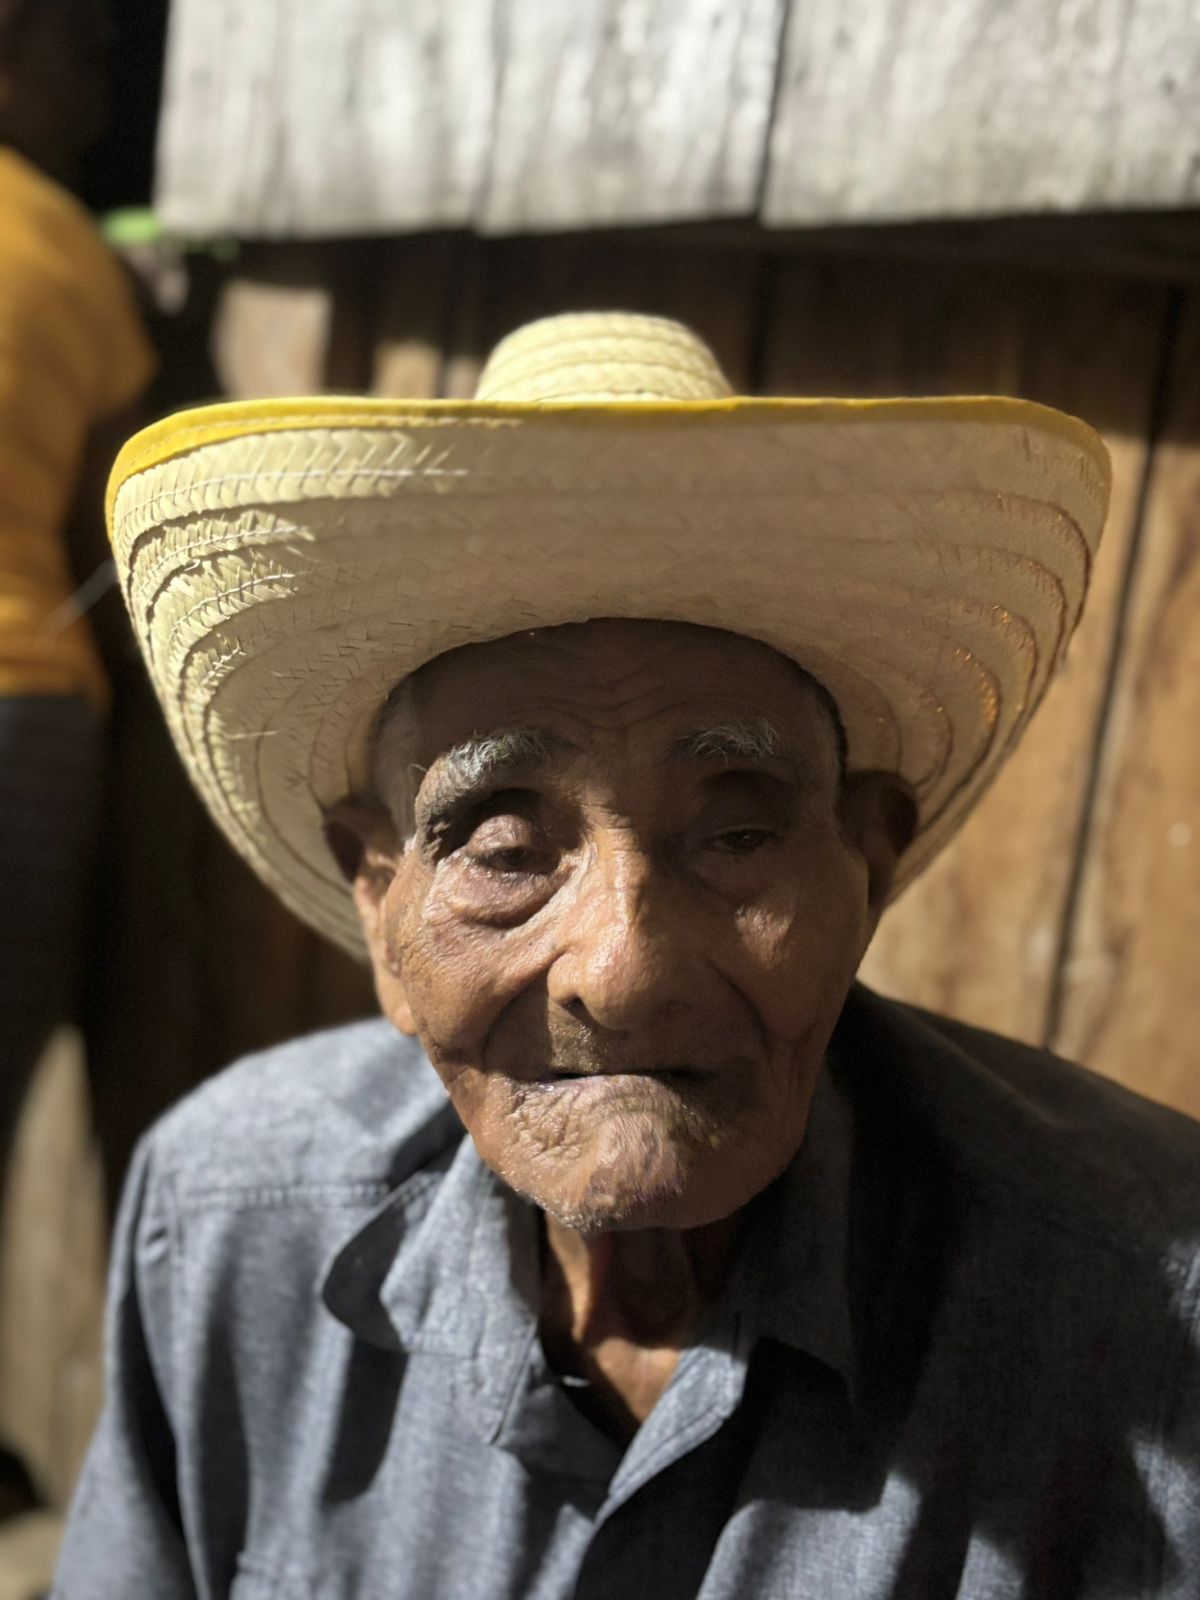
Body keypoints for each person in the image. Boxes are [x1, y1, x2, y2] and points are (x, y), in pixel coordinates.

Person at [54, 314, 1198, 1598]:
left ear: (866, 867)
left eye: (740, 832)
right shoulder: (222, 1221)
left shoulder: (1152, 1306)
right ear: (378, 896)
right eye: (504, 848)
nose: (625, 968)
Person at [0, 0, 153, 1509]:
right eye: (73, 57)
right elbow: (124, 474)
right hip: (18, 708)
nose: (94, 92)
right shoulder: (64, 249)